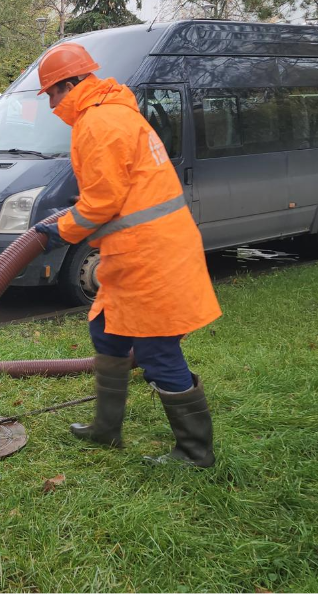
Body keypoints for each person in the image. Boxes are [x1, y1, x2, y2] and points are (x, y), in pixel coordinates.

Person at [33, 42, 222, 467]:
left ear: (71, 83)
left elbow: (101, 202)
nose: (51, 104)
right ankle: (106, 429)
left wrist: (56, 230)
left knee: (156, 351)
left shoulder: (99, 122)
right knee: (106, 331)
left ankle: (195, 452)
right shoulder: (110, 114)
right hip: (136, 252)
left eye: (52, 93)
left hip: (152, 256)